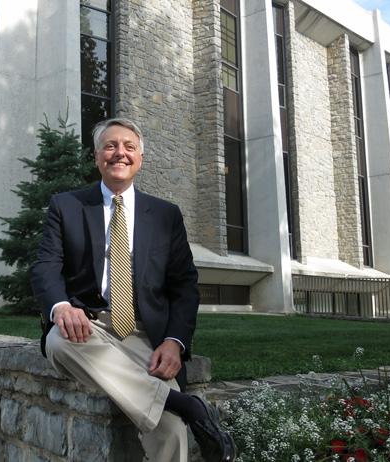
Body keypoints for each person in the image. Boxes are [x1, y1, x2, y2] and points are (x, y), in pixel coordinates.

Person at [31, 118, 236, 462]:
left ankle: (176, 408)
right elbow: (45, 266)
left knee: (170, 429)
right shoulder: (66, 206)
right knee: (58, 340)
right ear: (97, 157)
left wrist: (175, 341)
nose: (119, 153)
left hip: (145, 333)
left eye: (128, 146)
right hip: (88, 327)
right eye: (110, 146)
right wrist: (62, 307)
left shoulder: (165, 215)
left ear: (140, 157)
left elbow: (184, 285)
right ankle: (185, 404)